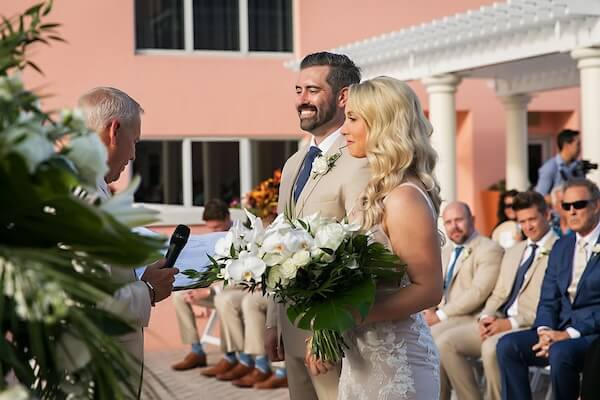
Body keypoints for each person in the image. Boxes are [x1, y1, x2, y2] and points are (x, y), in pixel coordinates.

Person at [306, 76, 443, 399]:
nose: (343, 129)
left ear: (382, 125)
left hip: (399, 368)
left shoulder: (404, 198)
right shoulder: (376, 191)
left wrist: (345, 315)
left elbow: (429, 290)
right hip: (361, 362)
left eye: (352, 118)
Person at [264, 51, 369, 400]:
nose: (301, 100)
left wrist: (330, 329)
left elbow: (366, 251)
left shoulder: (361, 160)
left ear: (343, 97)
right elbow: (278, 243)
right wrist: (272, 320)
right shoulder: (294, 163)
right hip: (292, 329)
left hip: (336, 335)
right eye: (298, 90)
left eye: (312, 90)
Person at [79, 87, 178, 396]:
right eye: (134, 142)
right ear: (114, 130)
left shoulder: (92, 188)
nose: (134, 155)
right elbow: (80, 299)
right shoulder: (80, 197)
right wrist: (147, 290)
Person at [436, 191, 558, 400]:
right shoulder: (515, 251)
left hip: (530, 326)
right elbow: (499, 292)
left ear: (546, 215)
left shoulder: (559, 249)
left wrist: (510, 324)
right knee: (445, 342)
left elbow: (549, 302)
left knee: (492, 348)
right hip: (497, 320)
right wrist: (486, 317)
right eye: (522, 222)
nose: (527, 226)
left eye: (532, 219)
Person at [497, 178, 600, 400]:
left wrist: (568, 334)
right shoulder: (562, 246)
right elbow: (548, 298)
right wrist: (544, 331)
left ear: (596, 205)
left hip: (590, 335)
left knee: (560, 352)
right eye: (566, 206)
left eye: (579, 205)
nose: (572, 211)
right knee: (507, 345)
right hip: (557, 330)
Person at [424, 201, 503, 400]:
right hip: (449, 317)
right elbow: (434, 284)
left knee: (434, 338)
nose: (454, 226)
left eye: (459, 220)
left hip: (473, 317)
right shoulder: (447, 251)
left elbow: (478, 292)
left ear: (472, 220)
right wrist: (428, 310)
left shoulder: (489, 249)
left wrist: (440, 315)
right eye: (449, 222)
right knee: (424, 337)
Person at [171, 198, 232, 371]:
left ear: (228, 218)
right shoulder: (210, 241)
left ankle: (231, 357)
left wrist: (209, 292)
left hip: (232, 293)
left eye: (217, 228)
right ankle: (196, 351)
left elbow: (243, 278)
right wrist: (194, 288)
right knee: (178, 296)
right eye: (210, 228)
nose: (213, 232)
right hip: (210, 289)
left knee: (224, 301)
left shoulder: (241, 235)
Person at [201, 290, 287, 389]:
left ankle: (268, 367)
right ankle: (243, 359)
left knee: (249, 301)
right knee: (221, 298)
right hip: (245, 285)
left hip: (273, 289)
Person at [534, 129, 581, 196]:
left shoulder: (578, 166)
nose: (580, 148)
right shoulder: (550, 168)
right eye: (578, 144)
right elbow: (539, 197)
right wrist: (559, 199)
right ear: (566, 145)